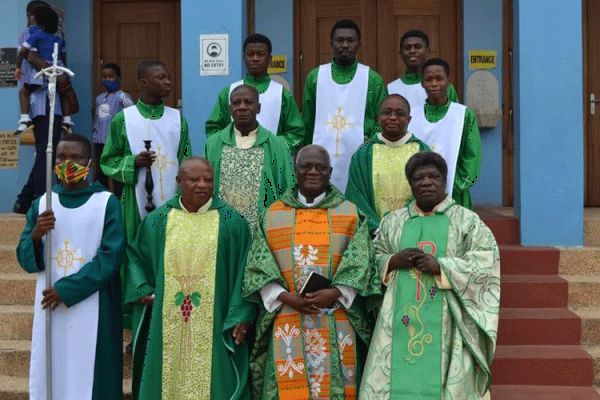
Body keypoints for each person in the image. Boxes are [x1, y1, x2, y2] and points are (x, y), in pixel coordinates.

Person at [243, 144, 381, 399]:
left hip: (336, 314)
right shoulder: (272, 214)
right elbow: (257, 267)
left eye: (320, 167)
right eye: (306, 166)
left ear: (330, 172)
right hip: (287, 314)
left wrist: (337, 292)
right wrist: (284, 296)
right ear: (295, 170)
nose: (313, 171)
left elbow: (362, 261)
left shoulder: (349, 213)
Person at [359, 152, 499, 400]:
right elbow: (371, 258)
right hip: (397, 321)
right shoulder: (393, 221)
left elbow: (486, 265)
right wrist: (393, 261)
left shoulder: (467, 221)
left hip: (447, 322)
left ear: (444, 180)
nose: (426, 182)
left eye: (433, 176)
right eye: (418, 178)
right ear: (410, 184)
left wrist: (442, 267)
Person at [126, 157, 254, 399]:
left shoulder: (232, 223)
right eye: (194, 179)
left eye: (208, 180)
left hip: (215, 322)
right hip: (167, 321)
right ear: (179, 181)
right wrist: (142, 289)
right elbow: (135, 257)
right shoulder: (159, 221)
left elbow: (245, 271)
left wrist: (242, 314)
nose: (202, 185)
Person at [16, 134, 124, 400]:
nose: (68, 163)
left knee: (89, 371)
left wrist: (66, 289)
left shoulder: (106, 203)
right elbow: (25, 257)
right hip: (49, 304)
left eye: (76, 158)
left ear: (90, 163)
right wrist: (36, 235)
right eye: (62, 157)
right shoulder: (42, 203)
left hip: (92, 301)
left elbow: (111, 256)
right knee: (54, 367)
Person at [101, 59, 190, 330]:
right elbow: (108, 160)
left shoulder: (177, 119)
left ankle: (170, 319)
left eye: (168, 77)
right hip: (135, 204)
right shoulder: (123, 120)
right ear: (142, 83)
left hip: (172, 204)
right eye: (161, 77)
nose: (168, 82)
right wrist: (131, 164)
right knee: (135, 260)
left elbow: (184, 158)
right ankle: (136, 323)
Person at [302, 19, 387, 192]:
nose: (345, 45)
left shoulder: (373, 79)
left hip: (361, 157)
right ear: (331, 44)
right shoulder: (315, 77)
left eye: (350, 40)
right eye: (340, 40)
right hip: (319, 159)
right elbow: (307, 121)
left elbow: (381, 122)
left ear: (359, 44)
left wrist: (368, 149)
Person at [205, 84, 294, 230]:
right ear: (230, 110)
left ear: (258, 108)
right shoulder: (213, 144)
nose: (242, 107)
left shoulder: (277, 145)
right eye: (236, 103)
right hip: (222, 228)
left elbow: (287, 190)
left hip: (264, 229)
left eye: (248, 102)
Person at [205, 33, 305, 153]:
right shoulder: (230, 92)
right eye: (250, 54)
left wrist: (273, 148)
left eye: (260, 54)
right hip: (234, 159)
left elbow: (296, 133)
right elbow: (213, 128)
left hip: (271, 160)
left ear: (269, 59)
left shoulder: (282, 94)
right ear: (244, 58)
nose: (255, 58)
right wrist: (228, 148)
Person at [346, 94, 430, 233]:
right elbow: (356, 196)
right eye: (387, 112)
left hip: (413, 232)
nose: (392, 117)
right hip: (373, 235)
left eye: (399, 113)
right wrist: (377, 228)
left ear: (409, 119)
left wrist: (406, 225)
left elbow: (428, 193)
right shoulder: (363, 154)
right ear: (378, 118)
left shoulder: (422, 152)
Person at [408, 58, 481, 209]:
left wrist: (454, 186)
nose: (434, 84)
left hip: (455, 193)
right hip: (419, 193)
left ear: (448, 81)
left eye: (439, 78)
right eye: (429, 79)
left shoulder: (464, 115)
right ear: (422, 83)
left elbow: (471, 156)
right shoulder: (411, 116)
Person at [15, 4, 78, 134]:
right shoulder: (59, 39)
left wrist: (17, 66)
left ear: (35, 19)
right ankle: (67, 121)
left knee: (24, 92)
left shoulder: (34, 35)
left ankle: (24, 119)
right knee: (64, 93)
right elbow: (63, 56)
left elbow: (25, 52)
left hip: (41, 78)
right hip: (59, 69)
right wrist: (61, 72)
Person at [387, 30, 459, 110]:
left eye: (417, 47)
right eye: (407, 48)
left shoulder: (444, 86)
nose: (412, 51)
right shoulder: (391, 88)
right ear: (401, 53)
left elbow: (455, 116)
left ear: (427, 51)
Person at [92, 63, 134, 191]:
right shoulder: (99, 98)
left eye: (111, 76)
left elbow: (132, 116)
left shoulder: (123, 97)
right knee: (100, 172)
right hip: (99, 140)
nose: (107, 79)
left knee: (116, 171)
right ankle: (101, 196)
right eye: (104, 77)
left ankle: (119, 198)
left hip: (116, 142)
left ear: (119, 78)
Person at [14, 1, 47, 134]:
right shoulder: (28, 33)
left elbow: (32, 56)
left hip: (42, 86)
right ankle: (24, 119)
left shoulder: (44, 34)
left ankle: (24, 120)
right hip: (37, 84)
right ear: (30, 15)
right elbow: (30, 57)